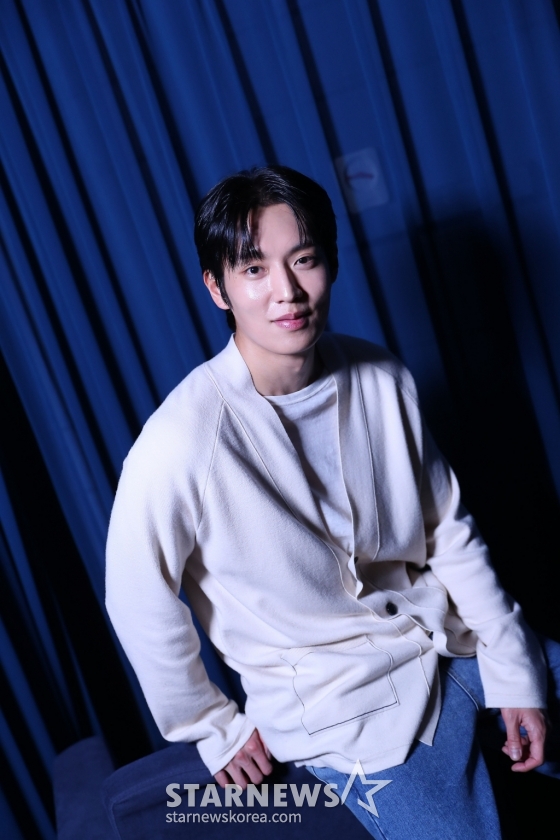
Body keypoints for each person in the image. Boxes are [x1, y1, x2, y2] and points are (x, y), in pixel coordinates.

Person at [106, 165, 555, 838]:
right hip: (345, 712)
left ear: (331, 264)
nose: (286, 291)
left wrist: (513, 665)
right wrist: (209, 725)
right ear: (217, 288)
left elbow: (448, 531)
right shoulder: (180, 441)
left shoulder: (381, 376)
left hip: (452, 644)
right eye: (253, 269)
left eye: (304, 260)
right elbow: (135, 598)